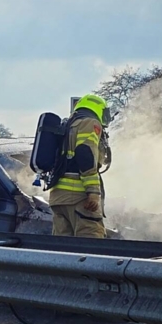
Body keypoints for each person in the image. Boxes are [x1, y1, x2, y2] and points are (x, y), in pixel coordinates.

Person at [49, 93, 109, 239]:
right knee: (90, 248)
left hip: (59, 198)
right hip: (79, 199)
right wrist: (93, 192)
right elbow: (85, 154)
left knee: (63, 250)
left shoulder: (69, 124)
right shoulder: (89, 123)